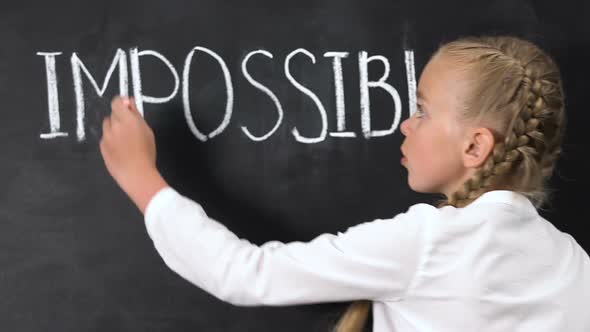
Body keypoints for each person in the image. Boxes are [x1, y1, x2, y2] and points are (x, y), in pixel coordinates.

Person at [99, 35, 590, 331]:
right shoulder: (573, 262)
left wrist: (141, 178)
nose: (406, 124)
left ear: (475, 147)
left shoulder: (428, 242)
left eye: (423, 110)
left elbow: (245, 273)